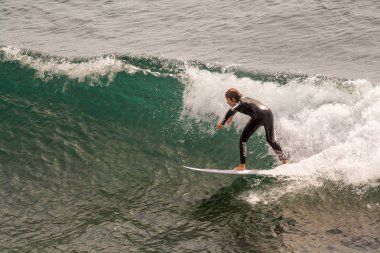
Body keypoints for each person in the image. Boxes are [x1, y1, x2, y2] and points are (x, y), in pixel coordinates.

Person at [217, 88, 288, 171]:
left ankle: (242, 166)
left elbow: (232, 109)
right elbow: (239, 107)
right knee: (271, 140)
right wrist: (232, 115)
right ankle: (284, 161)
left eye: (228, 100)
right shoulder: (244, 98)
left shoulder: (239, 102)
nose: (227, 102)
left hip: (259, 115)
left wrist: (222, 122)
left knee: (243, 139)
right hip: (268, 113)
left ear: (233, 99)